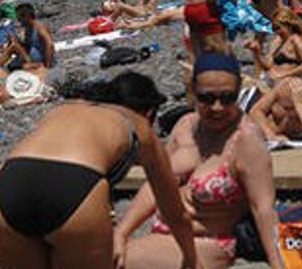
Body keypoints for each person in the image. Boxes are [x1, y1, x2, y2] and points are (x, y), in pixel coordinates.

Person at [0, 70, 199, 269]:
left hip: (12, 186)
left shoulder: (63, 112)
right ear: (149, 112)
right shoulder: (139, 127)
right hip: (74, 185)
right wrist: (190, 259)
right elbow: (174, 211)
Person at [118, 54, 282, 268]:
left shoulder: (246, 140)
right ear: (193, 92)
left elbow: (263, 209)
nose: (217, 107)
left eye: (227, 98)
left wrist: (279, 264)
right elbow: (158, 185)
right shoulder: (186, 126)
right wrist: (121, 233)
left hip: (206, 243)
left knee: (108, 261)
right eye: (206, 98)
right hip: (162, 236)